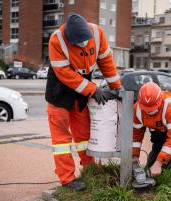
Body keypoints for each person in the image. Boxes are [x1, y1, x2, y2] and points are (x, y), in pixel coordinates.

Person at [45, 13, 122, 191]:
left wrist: (116, 87)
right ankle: (67, 179)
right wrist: (93, 89)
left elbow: (106, 62)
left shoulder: (97, 33)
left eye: (85, 41)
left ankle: (91, 170)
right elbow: (64, 73)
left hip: (82, 87)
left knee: (84, 136)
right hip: (59, 90)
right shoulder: (57, 40)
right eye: (79, 43)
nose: (84, 45)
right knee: (61, 141)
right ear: (69, 38)